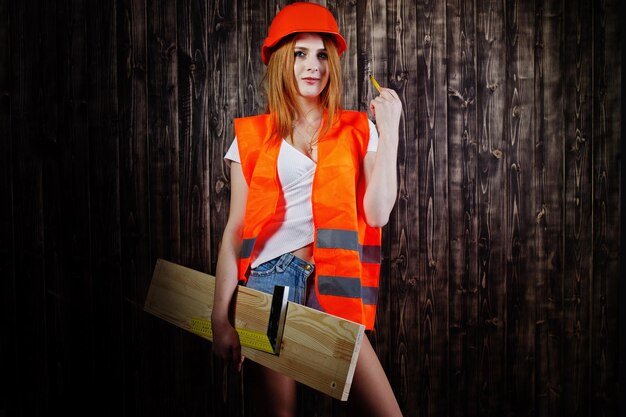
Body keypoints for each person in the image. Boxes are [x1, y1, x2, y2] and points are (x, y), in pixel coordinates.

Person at [211, 3, 403, 416]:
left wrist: (391, 131)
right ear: (283, 59)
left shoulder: (356, 128)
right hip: (271, 284)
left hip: (332, 282)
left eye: (321, 55)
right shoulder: (252, 136)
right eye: (301, 53)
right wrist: (219, 318)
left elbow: (379, 213)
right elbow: (235, 230)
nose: (313, 65)